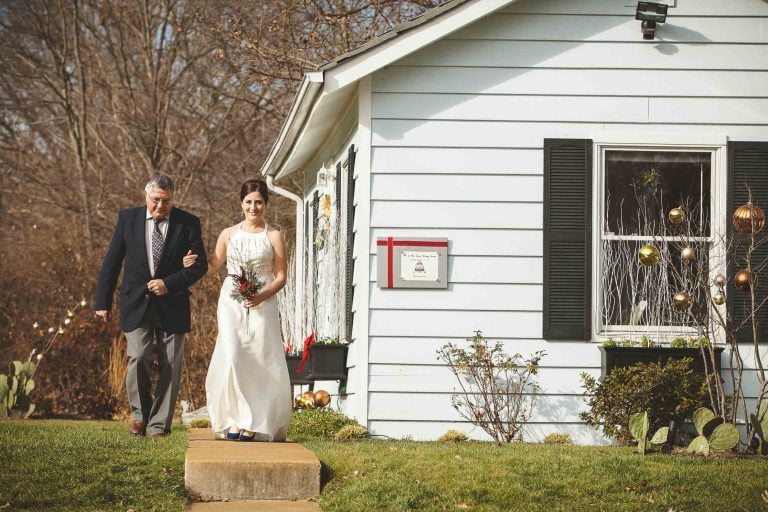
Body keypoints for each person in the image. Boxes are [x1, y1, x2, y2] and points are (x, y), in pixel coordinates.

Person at [95, 175, 208, 438]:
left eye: (166, 201)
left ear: (173, 199)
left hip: (173, 304)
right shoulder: (128, 219)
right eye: (155, 199)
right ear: (146, 196)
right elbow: (112, 261)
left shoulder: (188, 223)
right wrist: (102, 301)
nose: (160, 206)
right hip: (135, 302)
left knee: (171, 364)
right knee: (139, 357)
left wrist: (169, 283)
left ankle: (159, 425)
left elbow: (200, 264)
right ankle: (139, 416)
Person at [183, 179, 291, 441]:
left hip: (263, 301)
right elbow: (213, 266)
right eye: (248, 202)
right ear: (241, 203)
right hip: (231, 301)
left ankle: (254, 421)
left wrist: (262, 295)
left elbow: (281, 276)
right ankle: (233, 417)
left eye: (258, 202)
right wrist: (190, 264)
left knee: (259, 358)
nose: (253, 207)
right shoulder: (228, 234)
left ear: (265, 204)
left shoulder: (273, 235)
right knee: (232, 355)